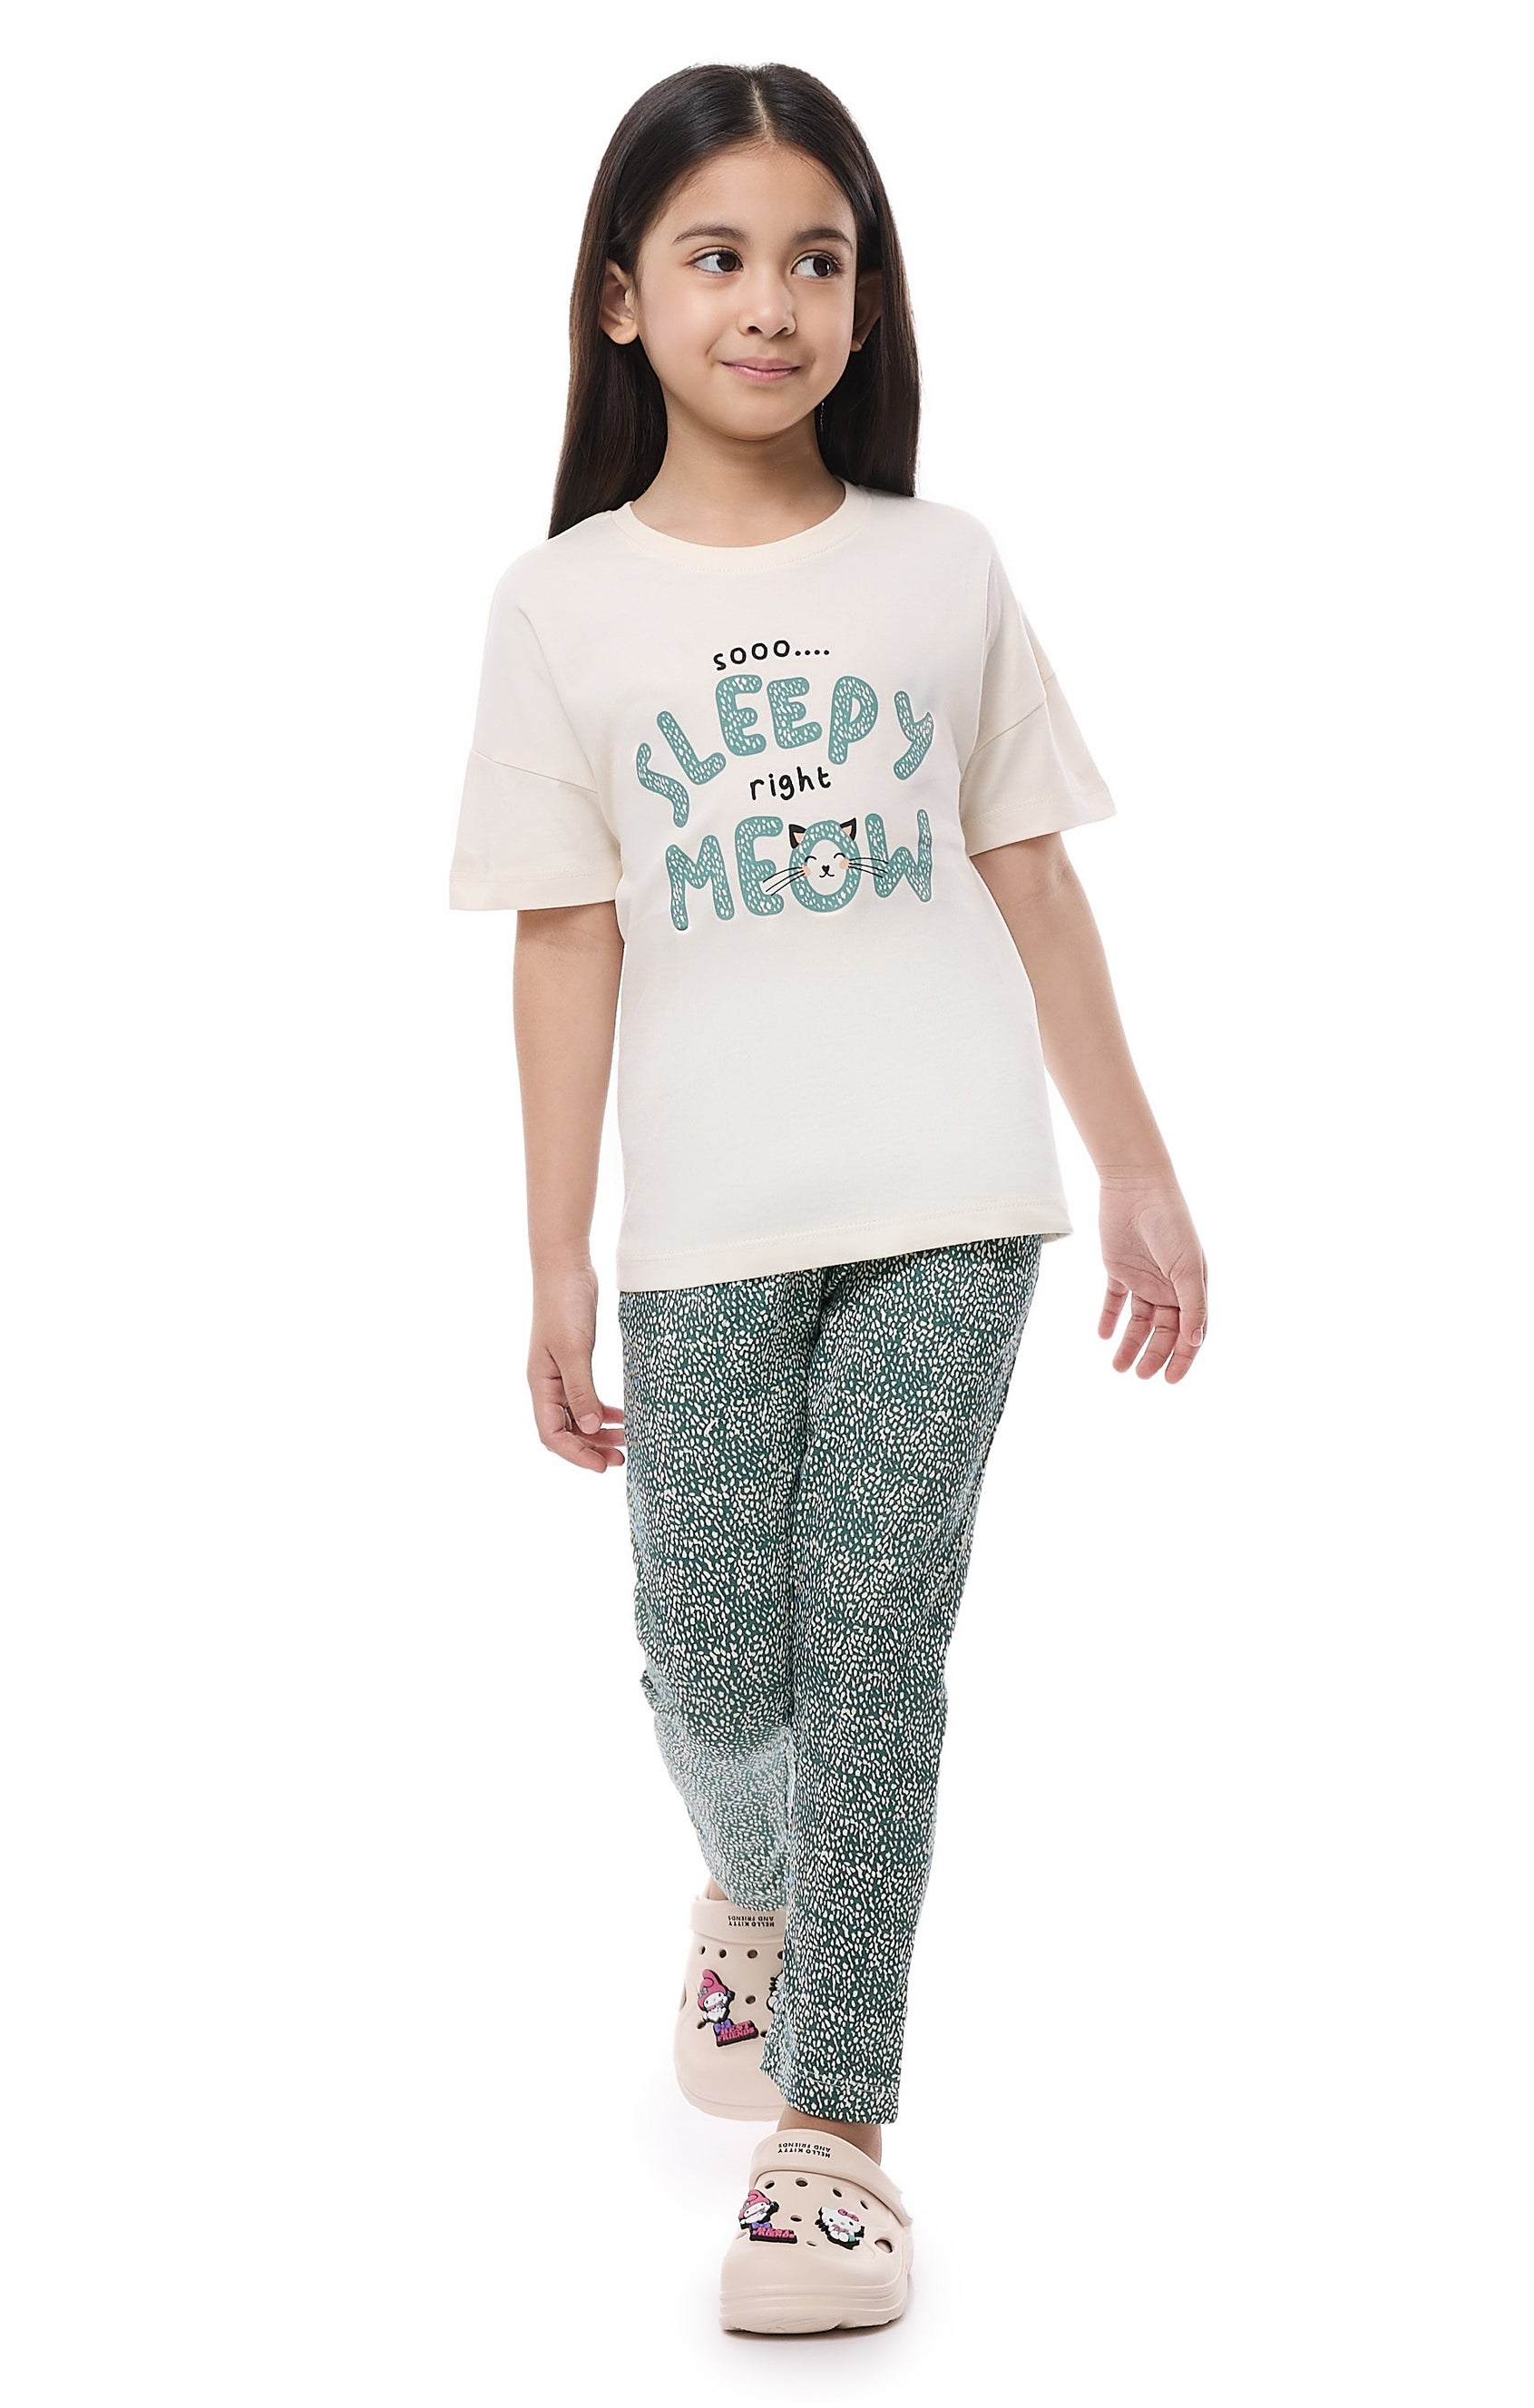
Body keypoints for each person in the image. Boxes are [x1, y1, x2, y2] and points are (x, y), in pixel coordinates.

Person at [448, 61, 1208, 2336]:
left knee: (872, 1639)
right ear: (621, 298)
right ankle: (757, 1899)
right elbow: (562, 936)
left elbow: (1032, 878)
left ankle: (834, 2140)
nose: (769, 302)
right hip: (705, 1223)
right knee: (709, 1644)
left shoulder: (939, 569)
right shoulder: (561, 604)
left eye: (817, 258)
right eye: (717, 256)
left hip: (950, 1194)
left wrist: (1135, 1166)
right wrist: (552, 1255)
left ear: (865, 303)